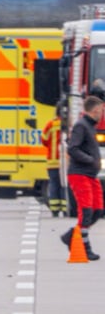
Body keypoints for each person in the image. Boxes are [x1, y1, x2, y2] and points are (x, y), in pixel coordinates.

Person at [61, 96, 104, 260]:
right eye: (101, 110)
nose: (102, 114)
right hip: (80, 174)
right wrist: (90, 160)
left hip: (91, 175)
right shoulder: (81, 126)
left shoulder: (90, 126)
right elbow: (73, 148)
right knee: (86, 210)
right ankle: (85, 247)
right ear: (95, 110)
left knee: (97, 210)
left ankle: (71, 235)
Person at [41, 105, 66, 217]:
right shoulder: (67, 124)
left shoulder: (50, 124)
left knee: (54, 184)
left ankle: (54, 209)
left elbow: (44, 140)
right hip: (65, 162)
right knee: (64, 185)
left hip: (52, 162)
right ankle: (64, 208)